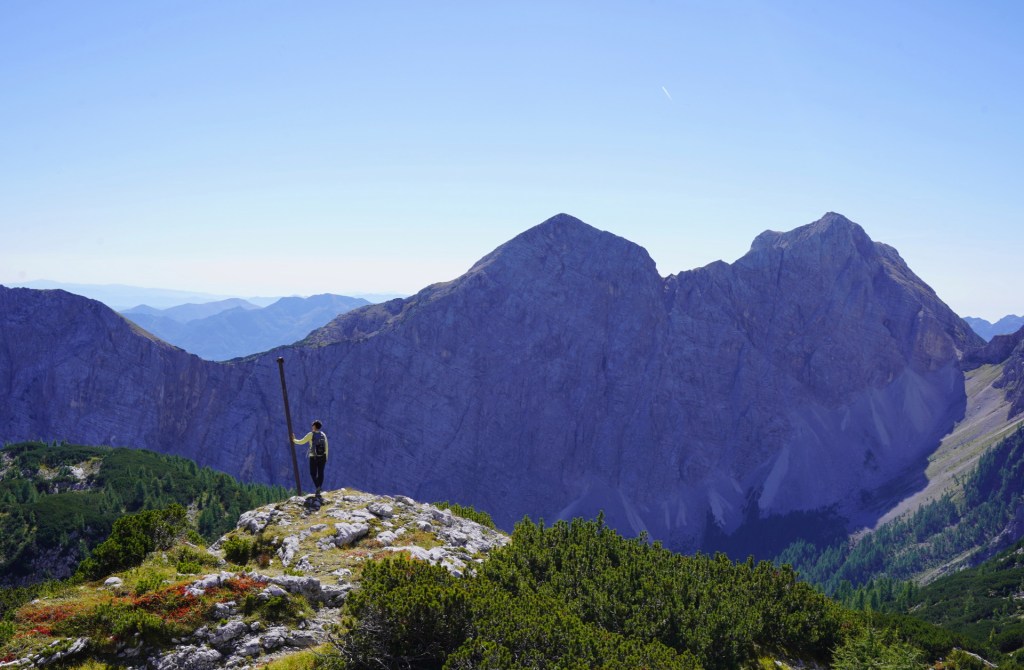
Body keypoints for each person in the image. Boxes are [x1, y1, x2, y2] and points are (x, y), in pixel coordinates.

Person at [292, 420, 328, 496]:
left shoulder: (310, 434)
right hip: (323, 456)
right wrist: (326, 457)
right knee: (321, 473)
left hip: (313, 457)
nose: (312, 426)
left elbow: (302, 441)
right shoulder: (323, 435)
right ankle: (319, 488)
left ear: (314, 426)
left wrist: (294, 440)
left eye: (312, 425)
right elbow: (326, 446)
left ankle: (318, 487)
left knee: (313, 473)